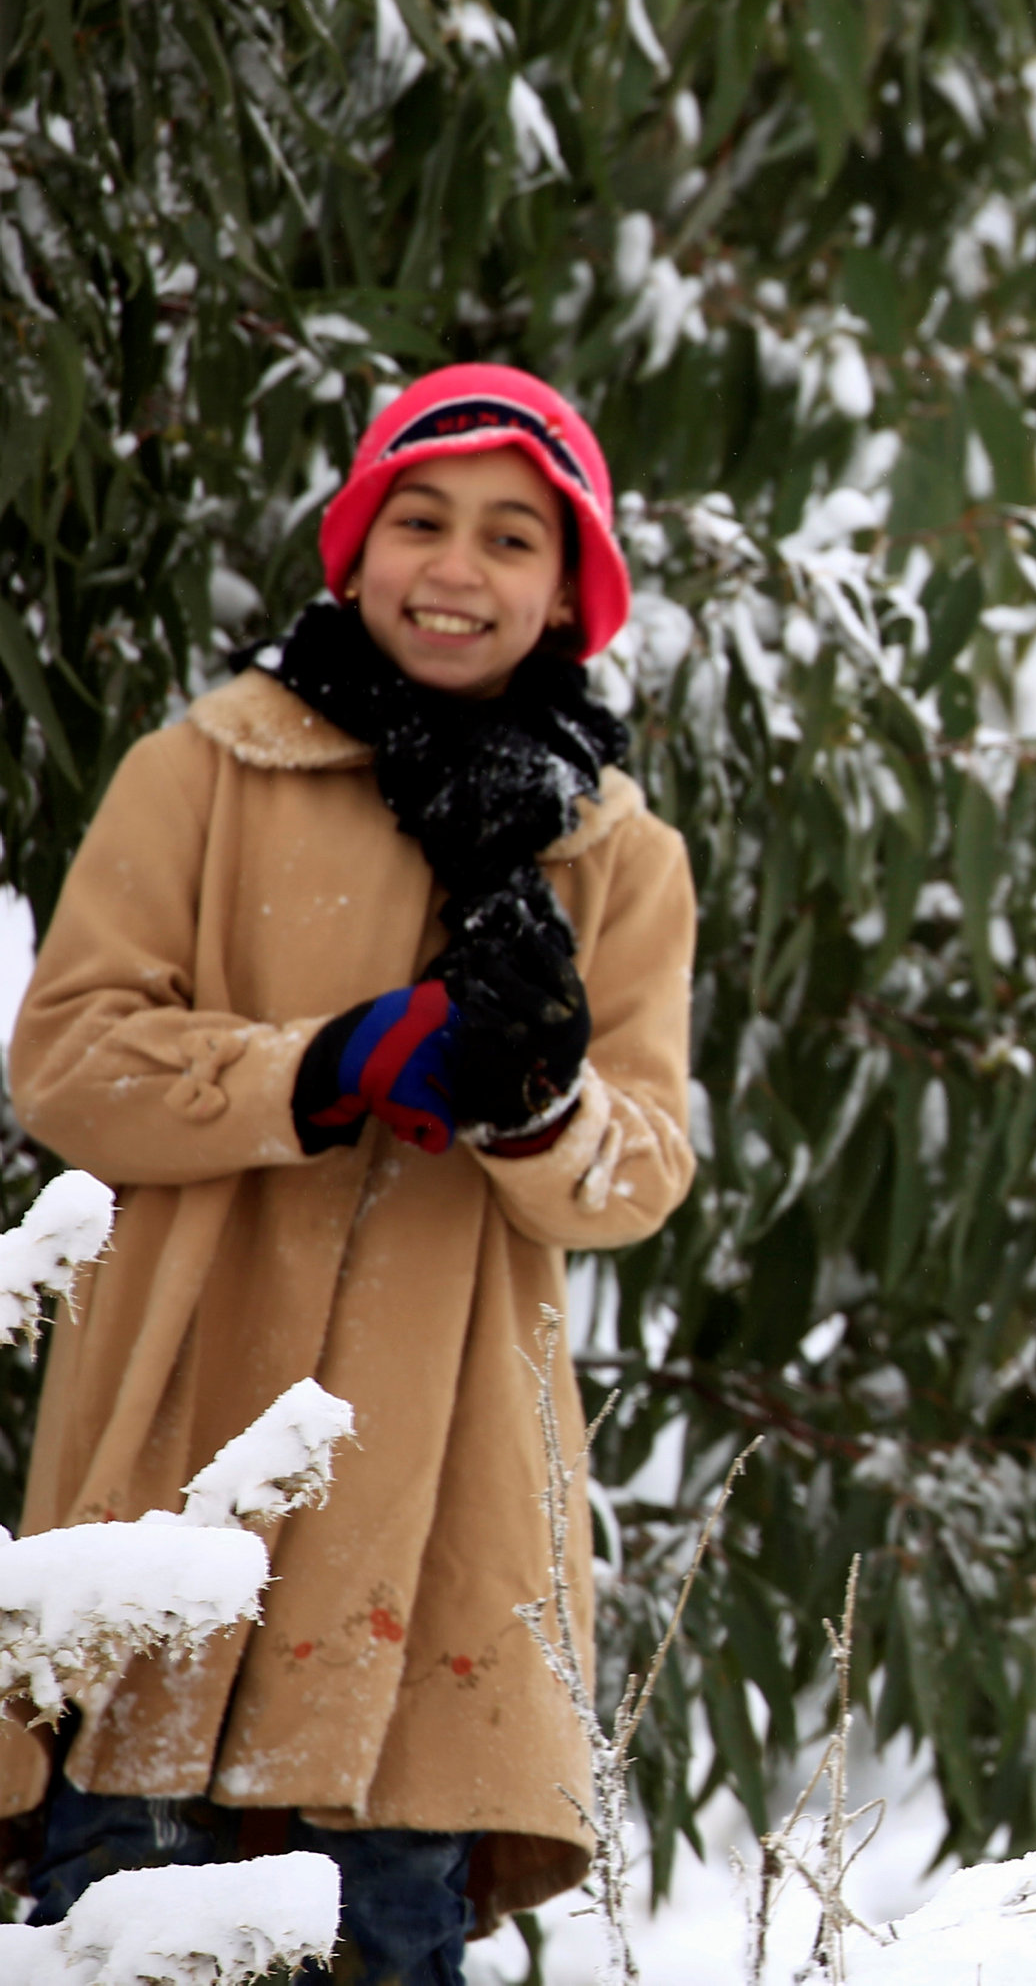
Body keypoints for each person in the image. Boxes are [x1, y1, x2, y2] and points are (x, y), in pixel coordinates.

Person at [4, 368, 698, 1976]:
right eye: (422, 520)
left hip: (438, 1506)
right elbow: (70, 1062)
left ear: (570, 593)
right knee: (126, 1911)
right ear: (355, 544)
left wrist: (538, 1110)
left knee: (385, 1923)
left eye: (513, 538)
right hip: (177, 1454)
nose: (458, 569)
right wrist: (319, 1068)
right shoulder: (203, 772)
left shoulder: (615, 855)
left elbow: (641, 1169)